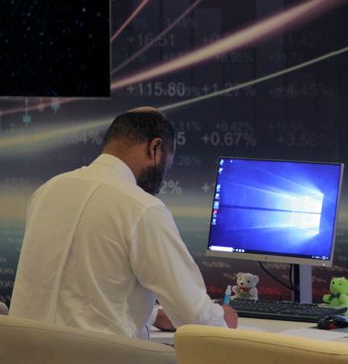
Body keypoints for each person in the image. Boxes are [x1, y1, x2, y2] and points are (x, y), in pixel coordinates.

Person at [10, 107, 237, 338]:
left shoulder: (47, 192)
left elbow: (71, 290)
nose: (163, 178)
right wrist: (223, 322)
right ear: (155, 148)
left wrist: (152, 315)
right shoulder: (142, 208)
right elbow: (195, 317)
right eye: (168, 164)